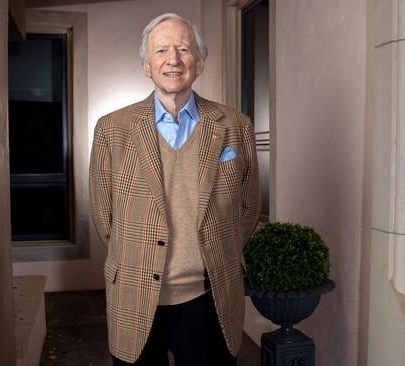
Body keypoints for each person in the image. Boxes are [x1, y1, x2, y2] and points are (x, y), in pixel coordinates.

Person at [89, 12, 260, 366]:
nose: (173, 59)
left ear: (199, 64)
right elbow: (103, 215)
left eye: (184, 49)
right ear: (146, 66)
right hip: (135, 296)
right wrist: (140, 253)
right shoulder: (112, 129)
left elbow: (248, 206)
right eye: (161, 50)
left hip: (209, 299)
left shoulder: (235, 127)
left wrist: (215, 249)